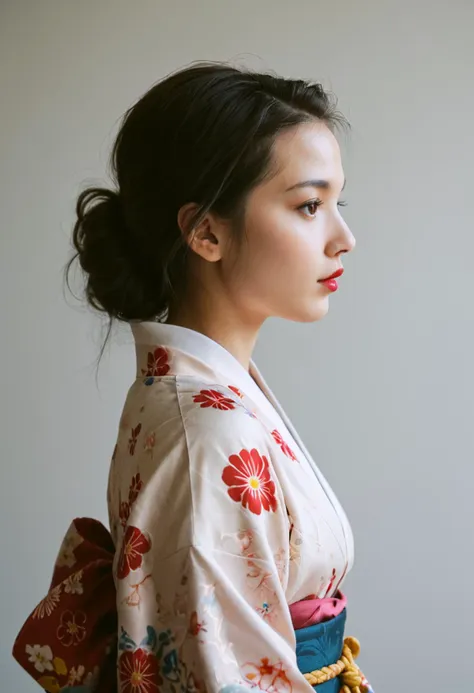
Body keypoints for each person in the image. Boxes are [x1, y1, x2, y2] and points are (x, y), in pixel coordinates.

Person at [12, 62, 374, 693]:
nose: (344, 237)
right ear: (206, 231)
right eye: (310, 205)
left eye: (338, 203)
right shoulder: (208, 432)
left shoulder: (207, 398)